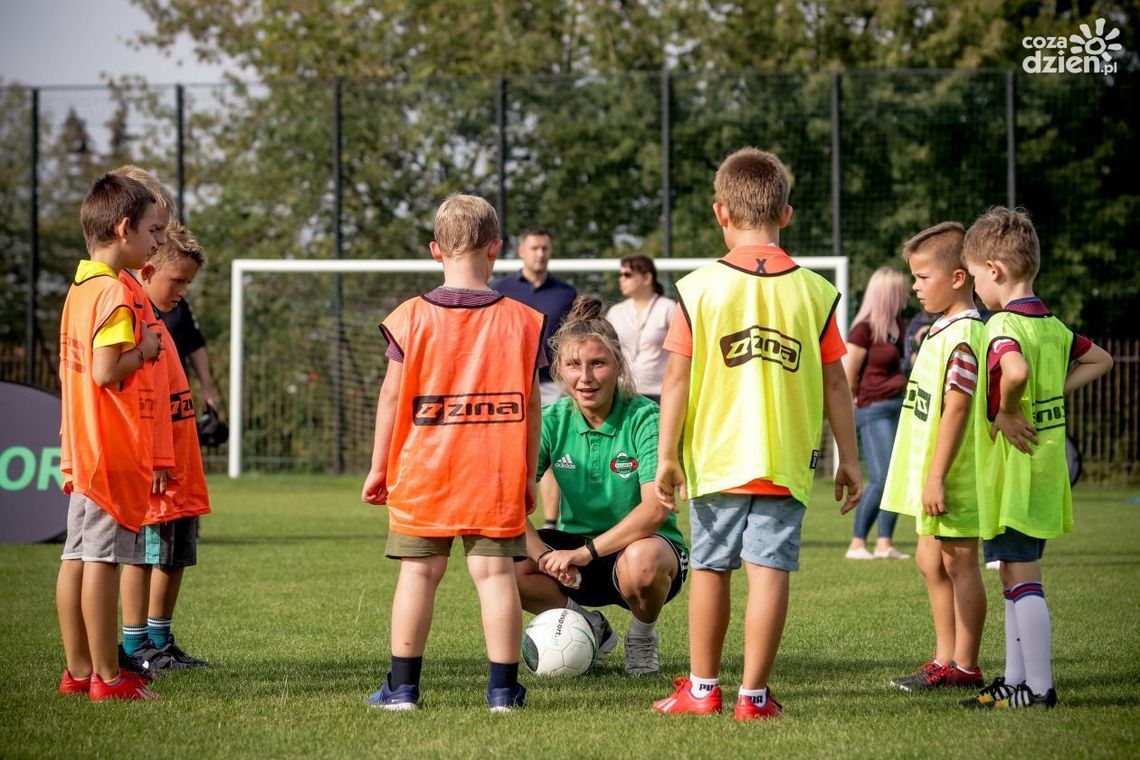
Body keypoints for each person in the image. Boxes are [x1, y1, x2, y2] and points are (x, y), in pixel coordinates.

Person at [651, 147, 862, 721]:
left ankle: (702, 690)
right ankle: (754, 697)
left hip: (717, 458)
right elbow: (837, 386)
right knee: (770, 571)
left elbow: (675, 380)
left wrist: (666, 456)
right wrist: (850, 458)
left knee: (712, 568)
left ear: (721, 212)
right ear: (786, 214)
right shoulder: (815, 292)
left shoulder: (696, 289)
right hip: (784, 458)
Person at [361, 194, 545, 712]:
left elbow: (392, 396)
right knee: (495, 577)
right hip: (496, 469)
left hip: (424, 470)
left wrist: (380, 466)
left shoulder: (409, 317)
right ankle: (503, 692)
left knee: (418, 574)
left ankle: (402, 690)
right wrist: (529, 473)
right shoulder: (524, 321)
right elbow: (530, 405)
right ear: (497, 248)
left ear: (436, 250)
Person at [960, 207, 1112, 709]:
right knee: (1013, 571)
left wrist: (1005, 410)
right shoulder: (1052, 324)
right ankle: (1015, 679)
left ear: (995, 272)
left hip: (1015, 471)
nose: (976, 288)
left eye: (976, 276)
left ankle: (1040, 688)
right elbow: (1101, 360)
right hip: (1043, 471)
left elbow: (1016, 371)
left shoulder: (1001, 323)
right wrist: (1056, 392)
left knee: (1022, 575)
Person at [516, 295, 689, 675]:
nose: (586, 377)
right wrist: (544, 555)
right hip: (577, 554)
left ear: (619, 366)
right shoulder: (550, 420)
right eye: (574, 365)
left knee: (641, 563)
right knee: (507, 564)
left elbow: (655, 509)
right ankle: (589, 625)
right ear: (559, 370)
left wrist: (582, 555)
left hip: (641, 548)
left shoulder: (646, 417)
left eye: (598, 364)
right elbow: (510, 501)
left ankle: (643, 635)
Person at [56, 173, 164, 701]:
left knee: (75, 557)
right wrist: (144, 350)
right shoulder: (113, 295)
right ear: (124, 228)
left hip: (80, 443)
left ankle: (78, 671)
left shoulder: (79, 287)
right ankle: (108, 676)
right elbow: (104, 372)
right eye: (152, 231)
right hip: (108, 448)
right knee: (101, 558)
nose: (158, 242)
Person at [881, 222, 988, 692]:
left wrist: (938, 476)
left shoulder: (965, 332)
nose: (917, 286)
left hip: (955, 474)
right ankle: (943, 658)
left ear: (959, 278)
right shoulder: (939, 327)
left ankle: (965, 663)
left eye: (924, 277)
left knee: (960, 563)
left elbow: (959, 406)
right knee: (930, 561)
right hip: (930, 470)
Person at [129, 223, 213, 672]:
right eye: (176, 280)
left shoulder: (164, 322)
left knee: (176, 555)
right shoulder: (136, 323)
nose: (182, 291)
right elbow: (143, 402)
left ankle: (161, 639)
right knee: (145, 556)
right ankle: (134, 644)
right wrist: (157, 455)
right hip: (158, 465)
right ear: (146, 270)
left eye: (187, 283)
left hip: (183, 463)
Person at [492, 229, 577, 530]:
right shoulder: (500, 289)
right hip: (513, 383)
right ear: (521, 252)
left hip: (555, 385)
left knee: (554, 453)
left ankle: (551, 524)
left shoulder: (566, 293)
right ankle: (511, 517)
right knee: (513, 452)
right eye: (534, 248)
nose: (540, 253)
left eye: (545, 248)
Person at [843, 266, 912, 560]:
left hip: (899, 407)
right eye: (903, 289)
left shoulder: (900, 325)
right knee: (882, 478)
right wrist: (859, 404)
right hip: (873, 410)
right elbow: (848, 376)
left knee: (896, 479)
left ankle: (884, 543)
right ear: (888, 293)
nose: (908, 293)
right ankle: (857, 543)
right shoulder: (864, 330)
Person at [606, 255, 677, 403]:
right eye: (620, 274)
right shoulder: (615, 312)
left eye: (627, 274)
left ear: (647, 277)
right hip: (623, 392)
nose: (621, 279)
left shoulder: (668, 308)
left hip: (660, 392)